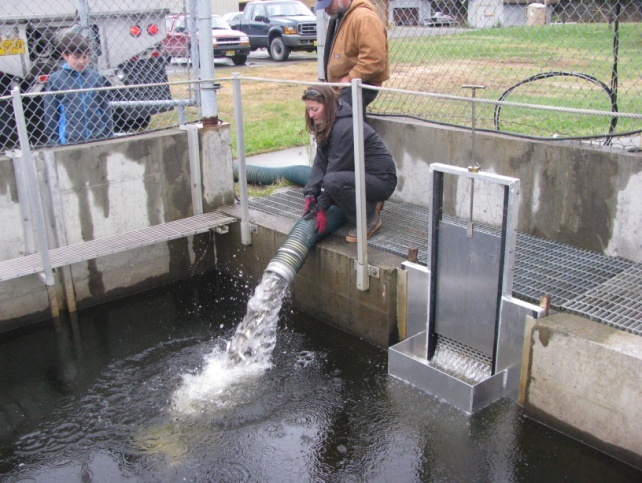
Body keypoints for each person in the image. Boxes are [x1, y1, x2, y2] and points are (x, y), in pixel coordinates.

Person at [301, 85, 397, 242]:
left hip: (381, 181)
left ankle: (369, 219)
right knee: (331, 182)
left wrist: (320, 208)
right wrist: (311, 194)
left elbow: (332, 173)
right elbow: (321, 161)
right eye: (308, 110)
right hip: (363, 176)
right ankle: (370, 202)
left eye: (315, 109)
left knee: (332, 182)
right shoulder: (329, 122)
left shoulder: (344, 128)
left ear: (328, 105)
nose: (311, 114)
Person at [316, 0, 389, 116]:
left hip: (362, 84)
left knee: (342, 118)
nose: (325, 9)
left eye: (328, 4)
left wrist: (350, 79)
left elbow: (374, 60)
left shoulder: (364, 17)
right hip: (343, 86)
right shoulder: (340, 17)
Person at [44, 32, 113, 145]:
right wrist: (54, 141)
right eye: (76, 57)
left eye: (85, 56)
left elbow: (104, 107)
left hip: (97, 137)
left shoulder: (95, 77)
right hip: (70, 139)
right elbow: (51, 113)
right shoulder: (56, 79)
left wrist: (109, 134)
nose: (81, 62)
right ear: (65, 55)